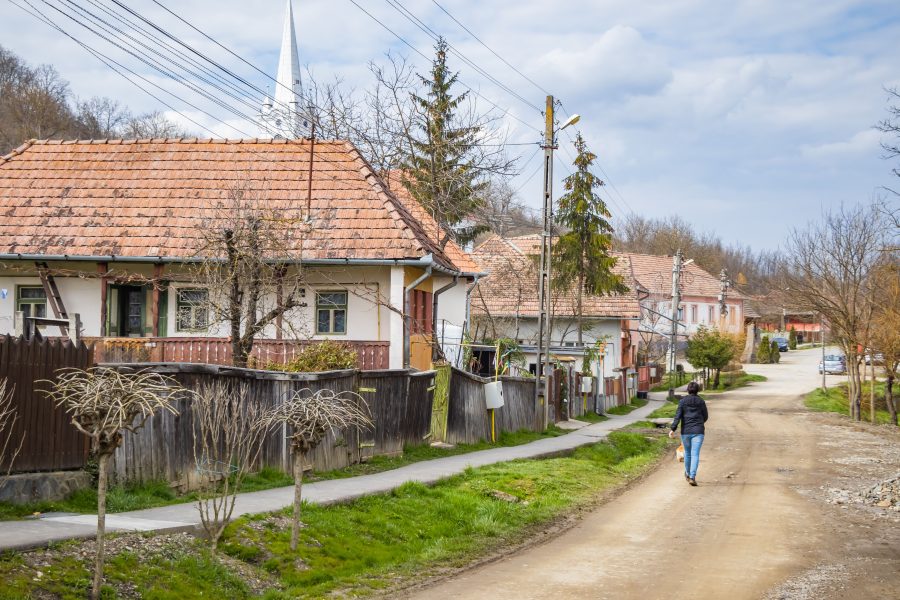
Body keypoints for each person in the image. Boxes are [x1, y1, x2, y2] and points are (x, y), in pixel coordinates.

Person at [668, 381, 708, 486]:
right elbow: (705, 416)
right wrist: (699, 423)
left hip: (686, 431)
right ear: (697, 390)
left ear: (688, 390)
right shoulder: (701, 401)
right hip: (698, 431)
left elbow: (678, 416)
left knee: (687, 453)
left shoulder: (682, 402)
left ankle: (687, 473)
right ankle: (692, 476)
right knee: (695, 454)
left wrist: (673, 429)